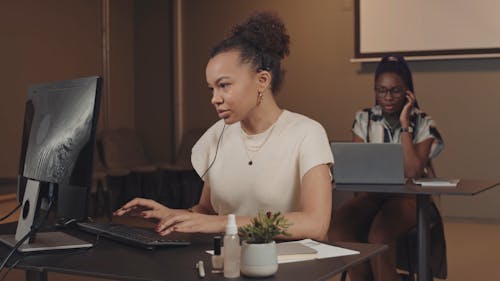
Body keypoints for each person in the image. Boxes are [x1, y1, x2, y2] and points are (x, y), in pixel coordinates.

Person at [114, 12, 334, 241]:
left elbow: (315, 223)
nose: (214, 98)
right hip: (229, 258)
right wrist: (173, 216)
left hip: (292, 264)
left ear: (262, 80)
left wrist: (223, 223)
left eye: (224, 85)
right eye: (212, 88)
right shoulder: (216, 135)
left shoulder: (307, 133)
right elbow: (207, 212)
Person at [329, 56, 444, 281]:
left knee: (380, 233)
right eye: (381, 91)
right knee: (338, 227)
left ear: (408, 92)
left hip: (411, 199)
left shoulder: (423, 122)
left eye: (395, 91)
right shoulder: (364, 118)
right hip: (372, 196)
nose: (388, 97)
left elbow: (412, 171)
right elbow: (358, 167)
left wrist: (404, 125)